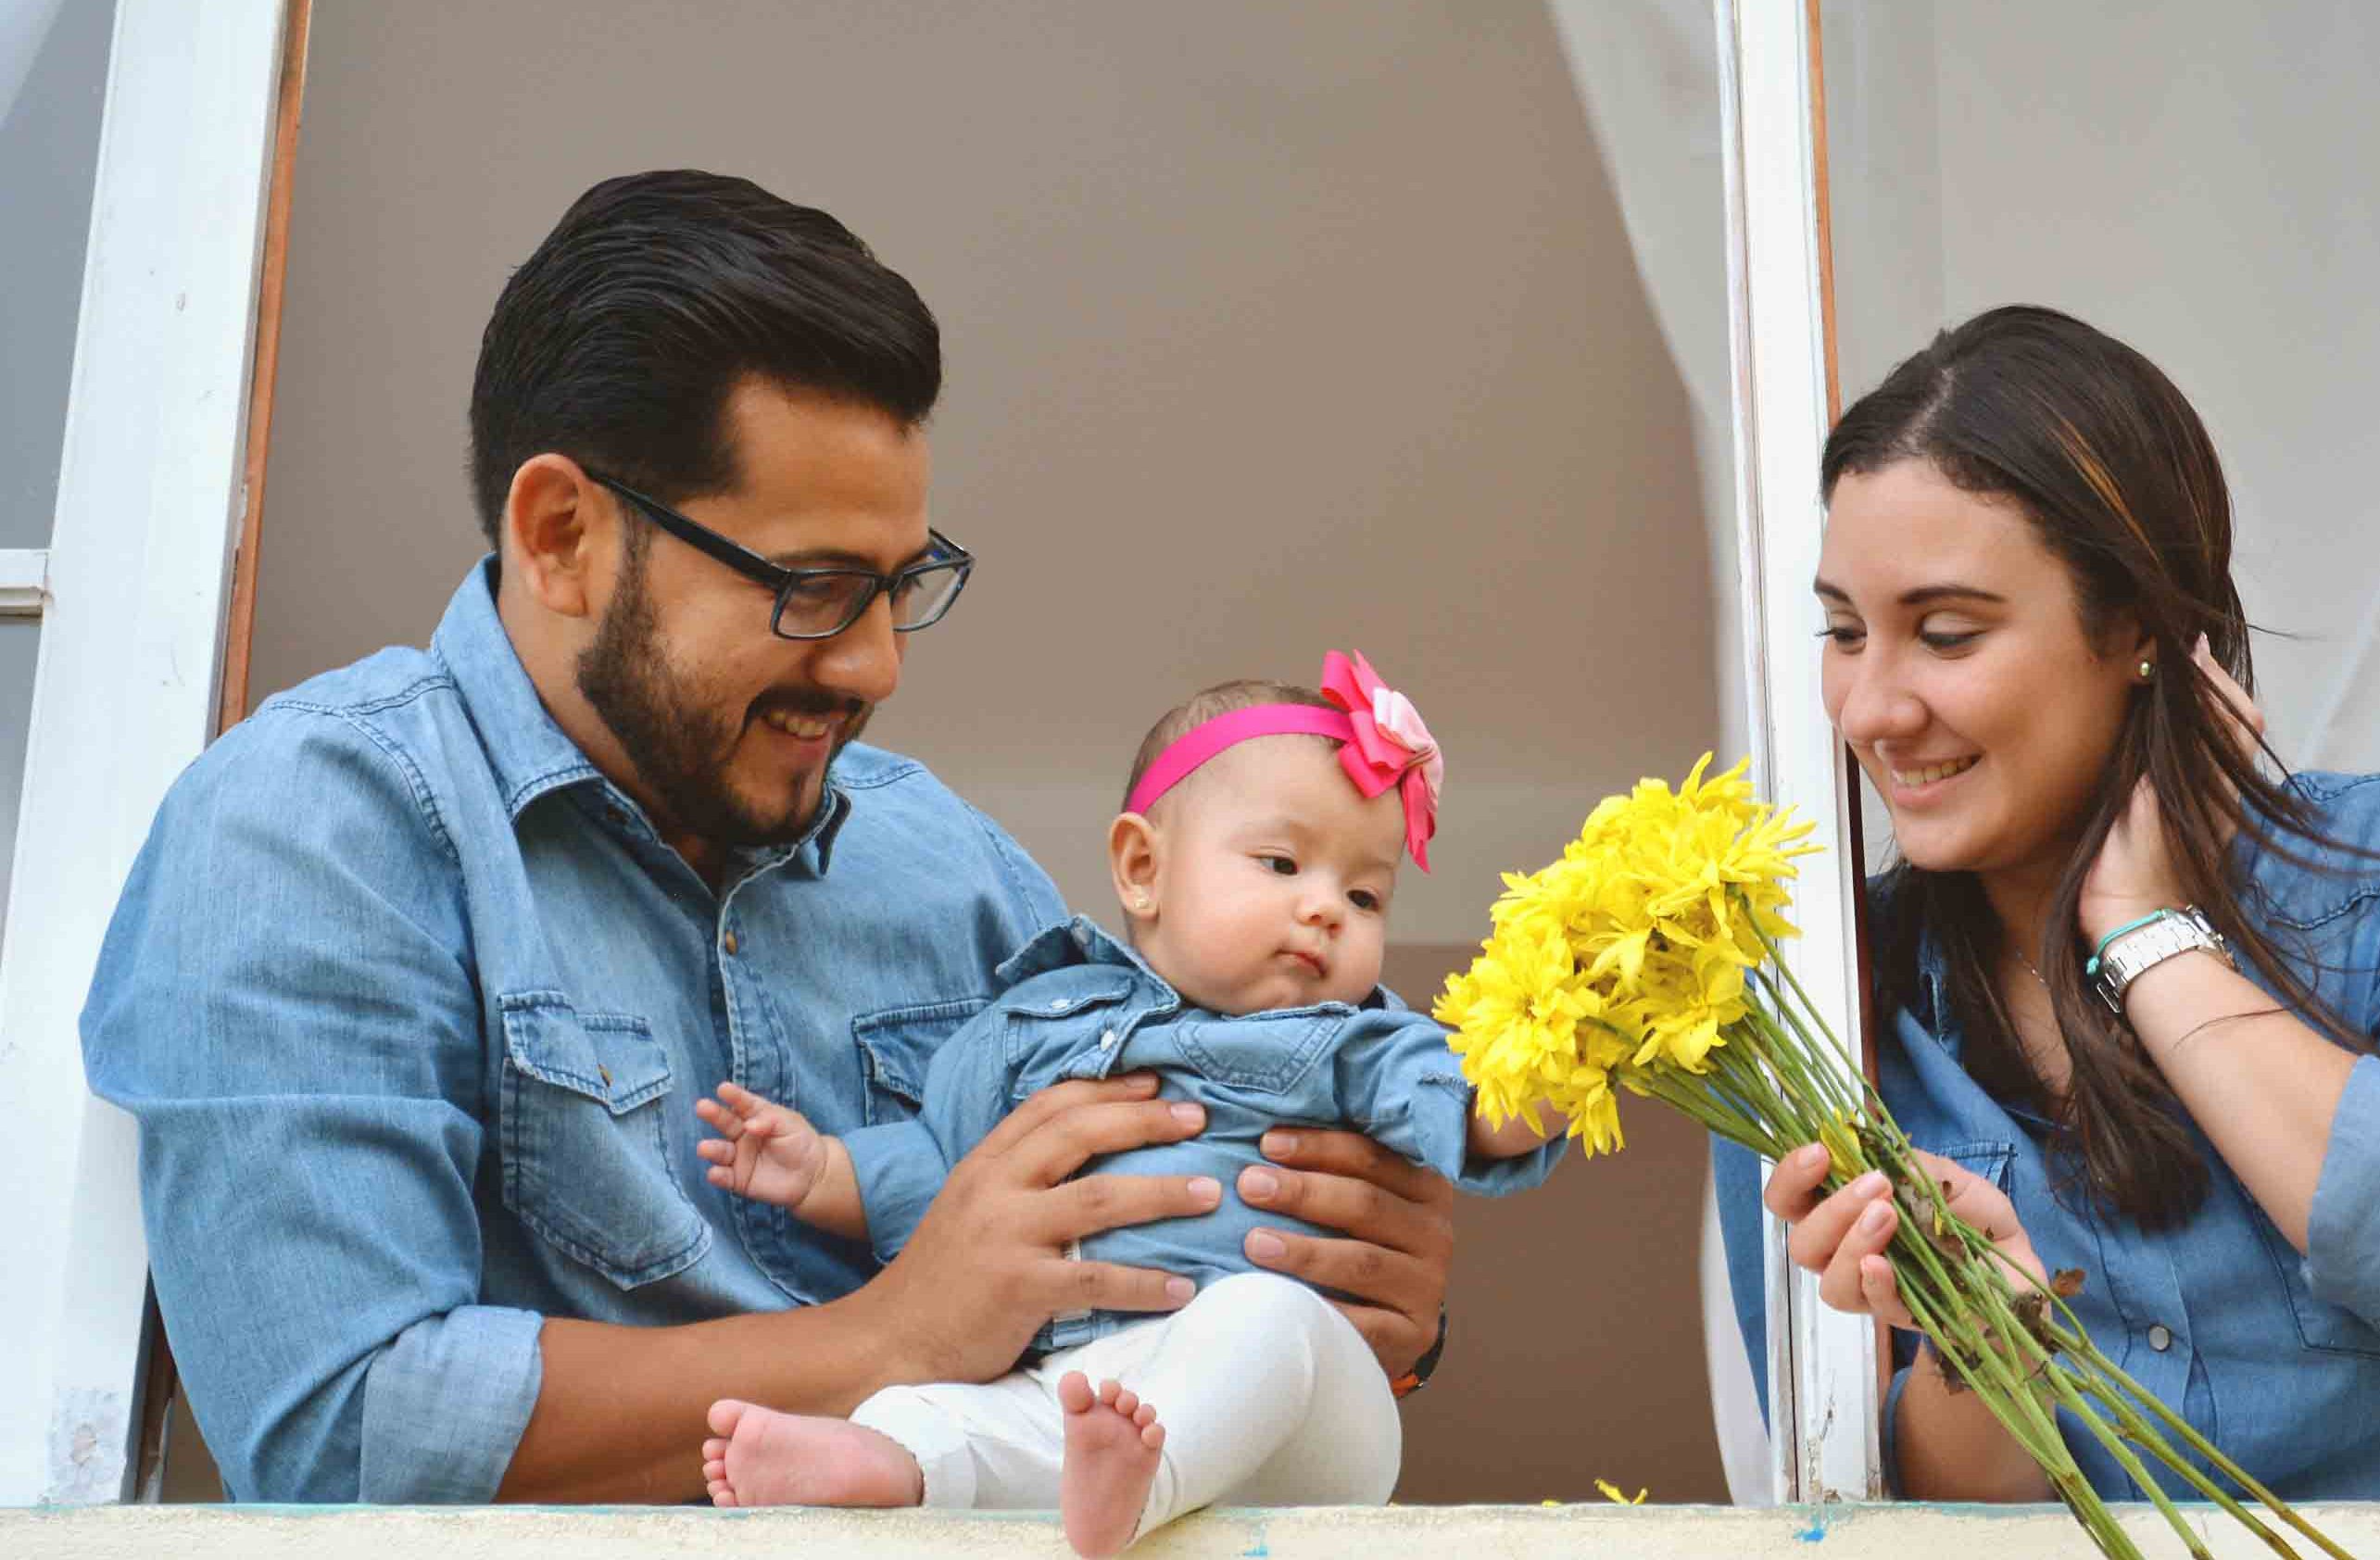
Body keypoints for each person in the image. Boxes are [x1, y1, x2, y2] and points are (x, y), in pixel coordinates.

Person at [78, 170, 1457, 1505]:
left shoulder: (954, 868)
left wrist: (1348, 1279)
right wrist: (887, 1341)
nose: (873, 667)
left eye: (900, 588)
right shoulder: (313, 830)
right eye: (812, 588)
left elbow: (1143, 1263)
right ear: (562, 535)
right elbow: (341, 1425)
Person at [1715, 305, 2380, 1500]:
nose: (1871, 707)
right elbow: (1864, 1509)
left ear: (2137, 625)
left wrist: (2153, 944)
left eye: (1944, 634)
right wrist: (1997, 1350)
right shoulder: (1815, 1017)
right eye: (1844, 632)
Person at [686, 662, 1560, 1554]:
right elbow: (941, 1165)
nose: (1324, 909)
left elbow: (1469, 1103)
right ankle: (893, 1462)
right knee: (929, 1404)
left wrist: (1555, 1073)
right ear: (1143, 868)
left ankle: (1142, 1486)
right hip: (1078, 1384)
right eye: (1283, 863)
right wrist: (823, 1169)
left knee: (1267, 1319)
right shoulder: (1037, 1023)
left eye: (1364, 895)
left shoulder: (1353, 1041)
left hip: (1300, 1412)